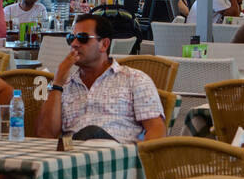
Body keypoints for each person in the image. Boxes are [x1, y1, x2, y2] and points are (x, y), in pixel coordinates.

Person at [36, 14, 167, 142]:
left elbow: (156, 129)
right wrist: (58, 83)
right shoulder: (62, 86)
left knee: (92, 133)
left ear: (104, 44)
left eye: (82, 38)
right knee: (86, 136)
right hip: (74, 157)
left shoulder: (135, 79)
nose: (74, 44)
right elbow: (45, 136)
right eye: (71, 38)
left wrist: (140, 160)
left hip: (118, 156)